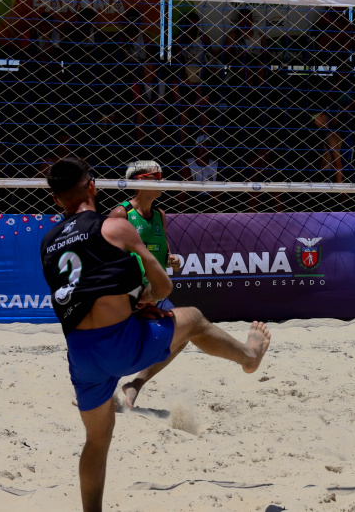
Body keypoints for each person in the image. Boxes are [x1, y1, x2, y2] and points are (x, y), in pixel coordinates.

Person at [40, 156, 271, 512]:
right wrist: (144, 299)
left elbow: (82, 291)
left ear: (56, 200)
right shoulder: (114, 226)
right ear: (92, 187)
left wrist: (129, 301)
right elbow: (164, 283)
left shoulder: (48, 243)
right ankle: (250, 357)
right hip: (119, 341)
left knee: (97, 441)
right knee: (192, 319)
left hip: (80, 353)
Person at [108, 160, 180, 310]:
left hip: (156, 296)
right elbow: (108, 262)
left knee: (179, 325)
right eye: (157, 176)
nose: (162, 181)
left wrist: (172, 261)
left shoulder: (160, 215)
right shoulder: (121, 213)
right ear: (140, 179)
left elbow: (164, 257)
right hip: (130, 297)